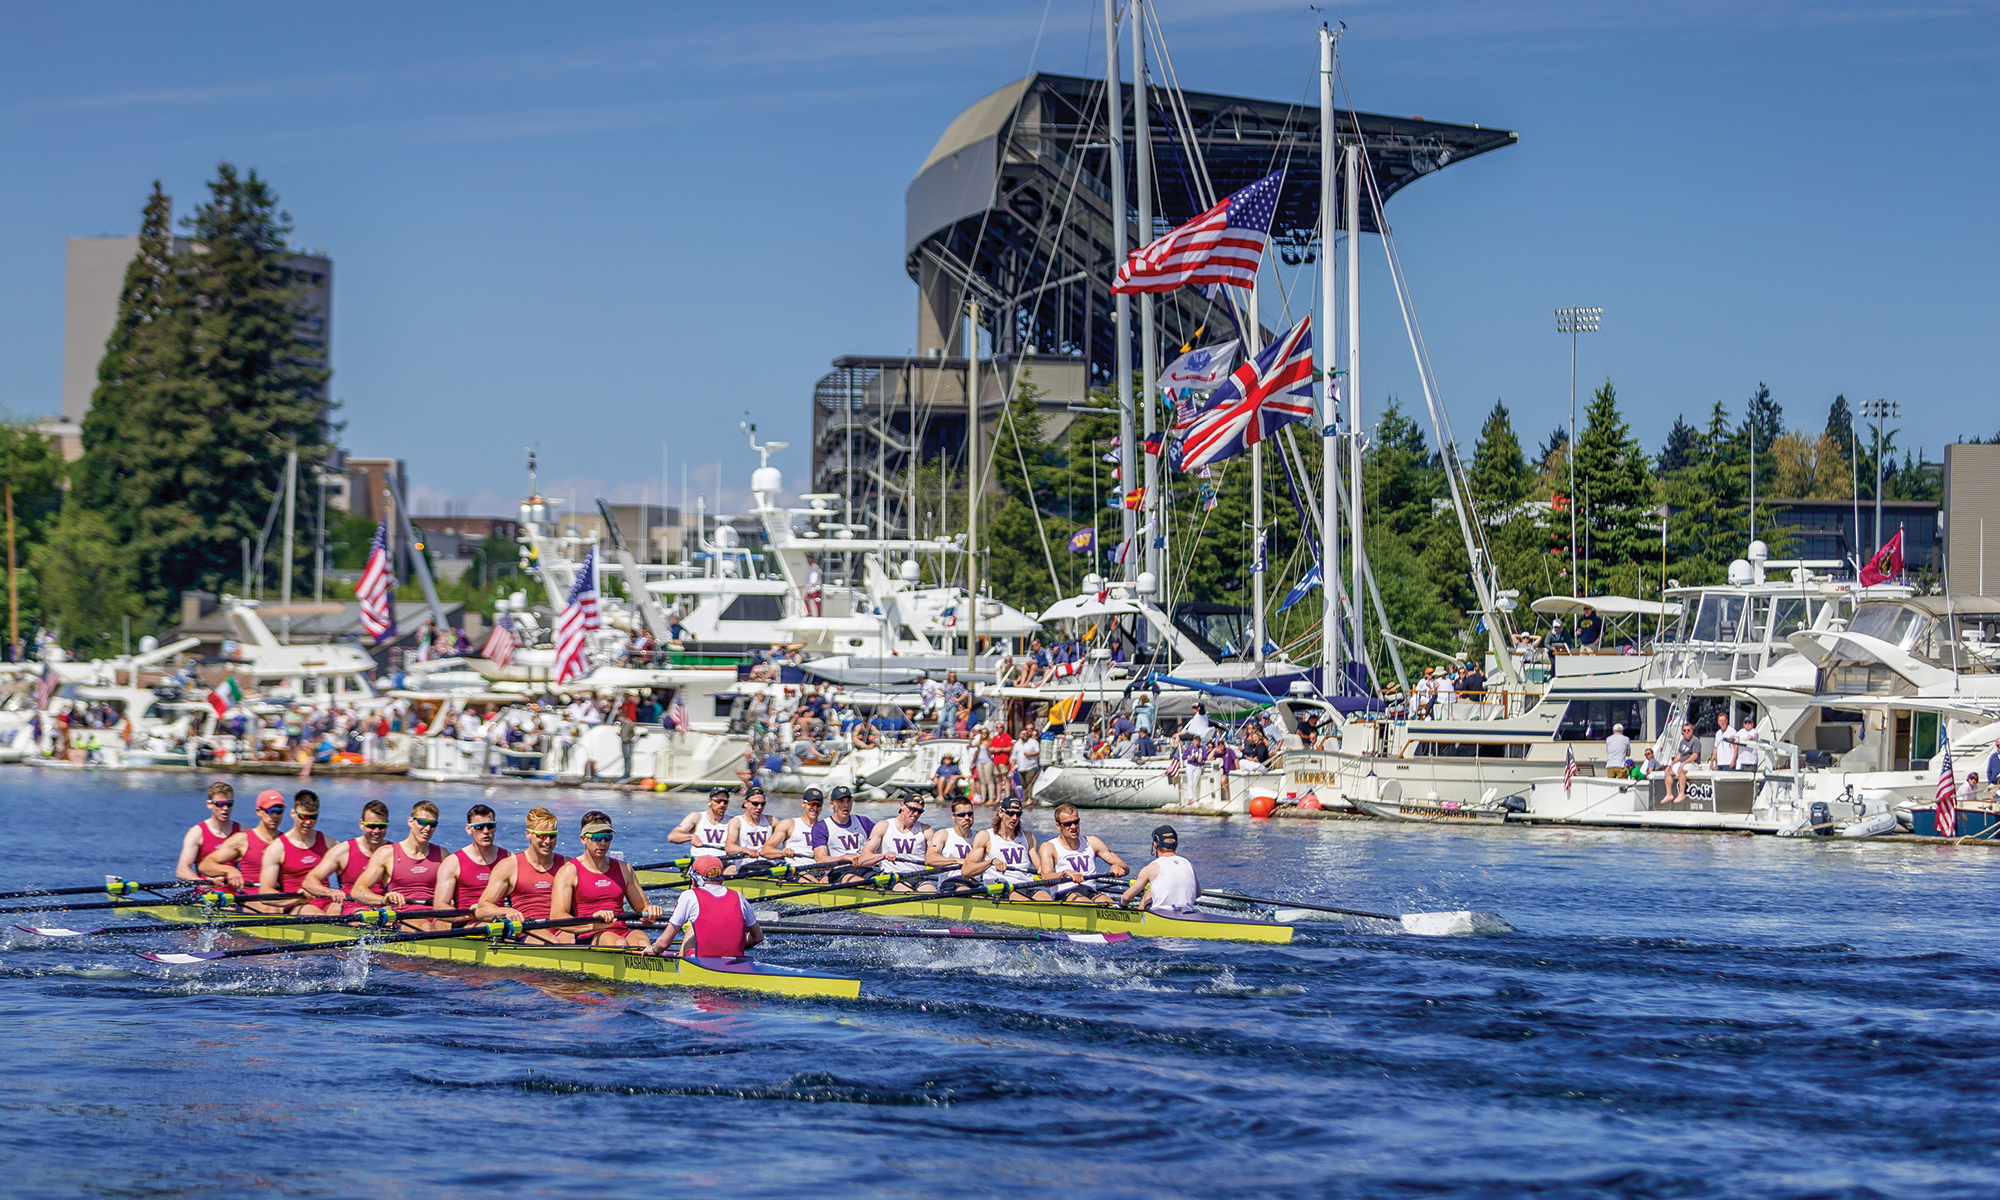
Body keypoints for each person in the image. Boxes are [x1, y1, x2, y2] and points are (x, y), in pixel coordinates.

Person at [551, 811, 661, 948]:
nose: (602, 842)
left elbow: (643, 909)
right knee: (619, 943)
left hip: (620, 931)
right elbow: (556, 916)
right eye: (597, 837)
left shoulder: (624, 868)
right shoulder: (569, 871)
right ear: (583, 838)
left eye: (607, 837)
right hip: (589, 934)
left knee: (642, 941)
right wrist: (593, 924)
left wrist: (650, 912)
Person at [474, 806, 571, 944]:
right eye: (542, 835)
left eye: (552, 835)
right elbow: (482, 910)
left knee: (575, 941)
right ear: (528, 833)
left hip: (561, 927)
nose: (547, 841)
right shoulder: (509, 866)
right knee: (552, 942)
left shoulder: (566, 864)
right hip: (527, 928)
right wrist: (506, 912)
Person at [351, 801, 450, 929]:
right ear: (410, 821)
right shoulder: (387, 853)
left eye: (432, 824)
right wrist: (383, 900)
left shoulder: (442, 854)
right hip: (403, 915)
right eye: (422, 822)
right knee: (425, 927)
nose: (427, 829)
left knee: (449, 926)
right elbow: (357, 891)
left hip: (436, 913)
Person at [641, 856, 764, 960]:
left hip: (700, 964)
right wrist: (732, 946)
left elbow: (663, 943)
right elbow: (758, 937)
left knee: (691, 929)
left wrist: (653, 949)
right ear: (722, 879)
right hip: (734, 962)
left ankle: (682, 969)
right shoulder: (739, 897)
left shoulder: (689, 895)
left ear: (694, 879)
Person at [302, 800, 392, 914]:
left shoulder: (392, 851)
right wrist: (329, 892)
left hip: (383, 907)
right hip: (351, 907)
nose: (376, 831)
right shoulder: (344, 851)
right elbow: (309, 881)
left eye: (382, 826)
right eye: (371, 826)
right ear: (361, 824)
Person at [251, 789, 329, 914]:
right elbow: (265, 892)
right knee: (317, 914)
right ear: (293, 813)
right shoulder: (277, 848)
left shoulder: (329, 843)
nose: (308, 822)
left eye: (312, 817)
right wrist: (294, 898)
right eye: (303, 817)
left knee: (349, 914)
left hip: (327, 902)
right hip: (298, 905)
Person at [198, 789, 289, 896]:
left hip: (281, 899)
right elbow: (204, 865)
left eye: (279, 810)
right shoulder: (242, 840)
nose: (275, 815)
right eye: (270, 810)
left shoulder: (287, 841)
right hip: (251, 899)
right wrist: (229, 870)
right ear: (259, 811)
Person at [1035, 803, 1128, 904]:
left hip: (1089, 891)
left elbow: (1125, 868)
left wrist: (1117, 866)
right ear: (1058, 826)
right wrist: (1065, 874)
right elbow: (1046, 879)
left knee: (1108, 902)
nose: (1073, 827)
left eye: (1076, 822)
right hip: (1064, 893)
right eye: (1068, 824)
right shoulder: (1049, 847)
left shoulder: (1093, 842)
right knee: (1084, 902)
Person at [434, 804, 508, 921]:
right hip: (467, 923)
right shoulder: (453, 862)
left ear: (495, 826)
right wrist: (471, 915)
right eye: (479, 827)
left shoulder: (508, 859)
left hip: (499, 921)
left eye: (490, 826)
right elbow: (439, 907)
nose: (485, 831)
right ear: (469, 829)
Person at [962, 797, 1041, 899]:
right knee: (1022, 899)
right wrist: (991, 862)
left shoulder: (1028, 837)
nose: (1014, 818)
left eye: (1018, 814)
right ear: (1000, 813)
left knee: (1046, 898)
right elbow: (966, 871)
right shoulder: (985, 836)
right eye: (1010, 813)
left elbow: (1040, 869)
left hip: (1026, 885)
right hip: (1001, 888)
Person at [1118, 825, 1200, 915]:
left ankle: (1140, 921)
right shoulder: (1189, 864)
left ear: (1155, 844)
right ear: (1176, 845)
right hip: (1187, 914)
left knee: (1149, 892)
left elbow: (1126, 897)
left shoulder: (1151, 868)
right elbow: (1197, 894)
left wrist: (1120, 905)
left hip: (1160, 916)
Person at [863, 796, 935, 892]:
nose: (916, 814)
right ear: (902, 805)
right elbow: (863, 859)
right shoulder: (883, 826)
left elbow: (937, 856)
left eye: (920, 811)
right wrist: (883, 856)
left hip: (918, 878)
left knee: (932, 891)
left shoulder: (926, 830)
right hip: (892, 878)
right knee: (907, 893)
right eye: (912, 809)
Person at [176, 781, 240, 882]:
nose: (225, 808)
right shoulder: (197, 833)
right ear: (209, 804)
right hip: (206, 893)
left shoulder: (242, 832)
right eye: (221, 804)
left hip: (235, 894)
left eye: (229, 804)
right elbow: (182, 870)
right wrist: (203, 883)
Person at [812, 786, 879, 880]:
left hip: (865, 869)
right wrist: (844, 858)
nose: (846, 805)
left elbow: (886, 835)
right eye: (841, 801)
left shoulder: (863, 822)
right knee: (861, 882)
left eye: (848, 801)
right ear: (832, 804)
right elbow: (820, 861)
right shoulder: (821, 827)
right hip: (840, 871)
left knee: (883, 883)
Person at [926, 800, 979, 890]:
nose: (966, 817)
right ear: (953, 816)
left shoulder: (979, 837)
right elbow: (930, 859)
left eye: (970, 814)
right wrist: (957, 861)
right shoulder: (944, 834)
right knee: (966, 891)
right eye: (961, 814)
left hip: (974, 882)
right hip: (951, 882)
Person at [669, 787, 734, 859]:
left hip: (724, 861)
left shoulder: (732, 821)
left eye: (725, 802)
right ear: (709, 801)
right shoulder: (697, 817)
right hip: (700, 860)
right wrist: (691, 836)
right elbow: (672, 836)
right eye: (718, 801)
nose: (722, 805)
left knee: (732, 869)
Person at [724, 791, 781, 867]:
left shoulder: (771, 821)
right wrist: (746, 850)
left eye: (762, 804)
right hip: (747, 866)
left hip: (769, 864)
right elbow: (729, 848)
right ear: (745, 803)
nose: (759, 807)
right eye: (755, 804)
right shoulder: (737, 822)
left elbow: (790, 835)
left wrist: (787, 851)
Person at [1667, 722, 1701, 803]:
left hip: (1693, 763)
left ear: (1692, 731)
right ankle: (1669, 794)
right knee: (1667, 771)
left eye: (1688, 730)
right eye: (1684, 731)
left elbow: (1695, 755)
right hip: (1683, 762)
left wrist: (1684, 762)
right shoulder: (1682, 741)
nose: (1686, 732)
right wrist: (1672, 764)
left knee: (1681, 770)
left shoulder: (1696, 741)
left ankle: (1681, 793)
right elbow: (1679, 754)